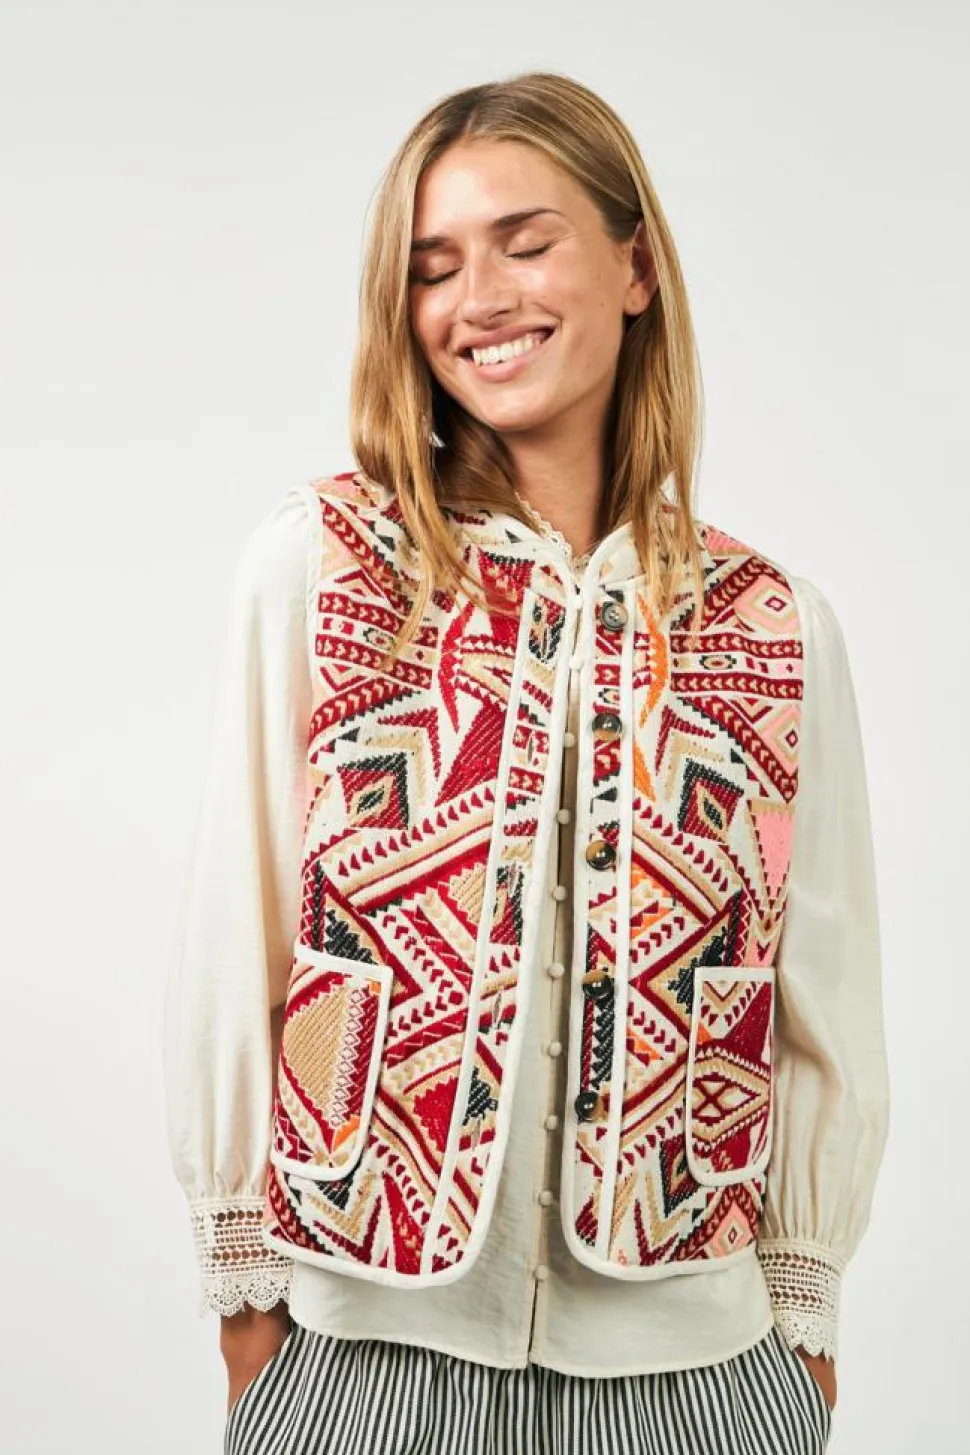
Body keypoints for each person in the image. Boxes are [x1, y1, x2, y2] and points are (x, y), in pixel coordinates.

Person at [163, 70, 889, 1455]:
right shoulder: (322, 568)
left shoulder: (773, 626)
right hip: (364, 1356)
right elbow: (237, 936)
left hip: (699, 1371)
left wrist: (802, 1324)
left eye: (524, 242)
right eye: (434, 268)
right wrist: (248, 1296)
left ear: (635, 266)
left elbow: (826, 1001)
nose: (478, 298)